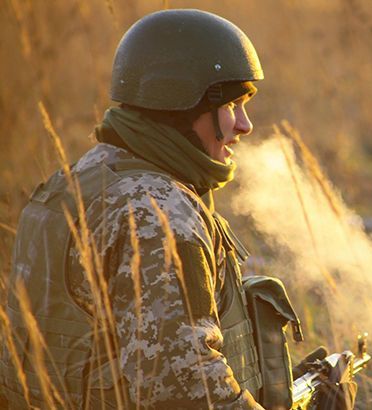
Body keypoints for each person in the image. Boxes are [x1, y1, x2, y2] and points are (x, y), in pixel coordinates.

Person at [2, 9, 268, 409]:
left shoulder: (72, 182)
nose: (244, 125)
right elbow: (189, 393)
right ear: (182, 107)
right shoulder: (160, 214)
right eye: (232, 106)